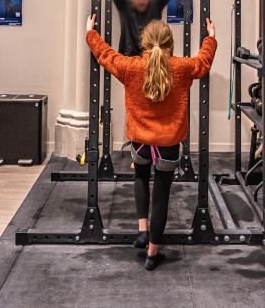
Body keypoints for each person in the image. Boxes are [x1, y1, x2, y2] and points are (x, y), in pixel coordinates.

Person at [86, 14, 216, 270]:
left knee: (140, 178)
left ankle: (143, 231)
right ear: (170, 44)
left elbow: (105, 55)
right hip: (168, 145)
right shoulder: (182, 67)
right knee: (162, 196)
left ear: (143, 44)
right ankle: (152, 253)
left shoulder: (130, 66)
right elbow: (204, 60)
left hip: (140, 143)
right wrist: (210, 37)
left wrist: (90, 32)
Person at [113, 0, 178, 57]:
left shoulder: (155, 6)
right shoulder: (125, 7)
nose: (141, 1)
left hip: (151, 57)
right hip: (127, 57)